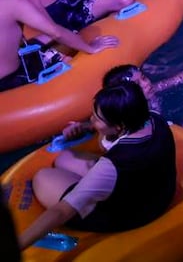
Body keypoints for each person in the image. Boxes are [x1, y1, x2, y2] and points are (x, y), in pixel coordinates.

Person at [18, 82, 175, 249]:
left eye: (97, 118)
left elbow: (62, 211)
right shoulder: (153, 119)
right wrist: (86, 127)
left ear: (119, 126)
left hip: (128, 215)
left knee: (43, 177)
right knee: (64, 159)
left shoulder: (114, 164)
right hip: (153, 194)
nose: (91, 119)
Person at [0, 0, 117, 91]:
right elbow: (56, 33)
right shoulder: (15, 3)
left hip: (9, 66)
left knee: (56, 34)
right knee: (70, 49)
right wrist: (90, 48)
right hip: (11, 80)